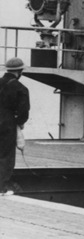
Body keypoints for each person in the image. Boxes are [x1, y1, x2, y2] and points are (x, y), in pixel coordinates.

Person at [0, 58, 30, 196]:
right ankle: (1, 188)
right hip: (7, 124)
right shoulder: (21, 88)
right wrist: (19, 123)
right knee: (6, 156)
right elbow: (23, 112)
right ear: (20, 71)